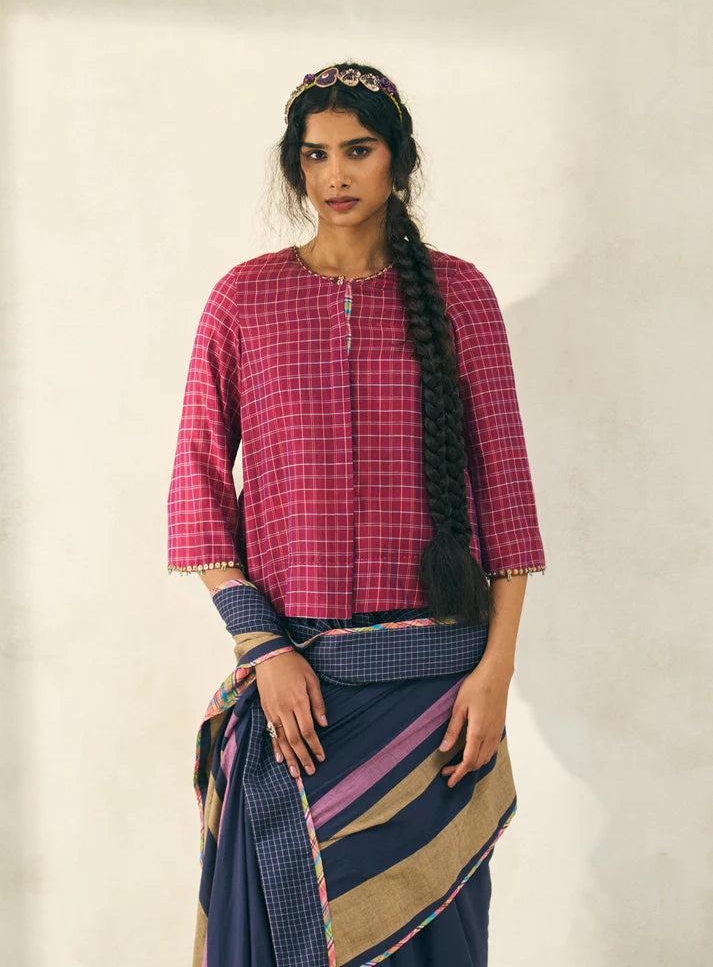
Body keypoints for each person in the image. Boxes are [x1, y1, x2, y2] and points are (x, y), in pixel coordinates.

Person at [167, 60, 546, 967]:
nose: (334, 175)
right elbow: (196, 492)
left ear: (397, 161)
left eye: (358, 150)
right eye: (315, 155)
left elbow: (507, 504)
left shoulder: (459, 295)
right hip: (295, 695)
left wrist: (494, 676)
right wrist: (264, 651)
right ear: (295, 165)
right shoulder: (245, 298)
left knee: (432, 941)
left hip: (437, 706)